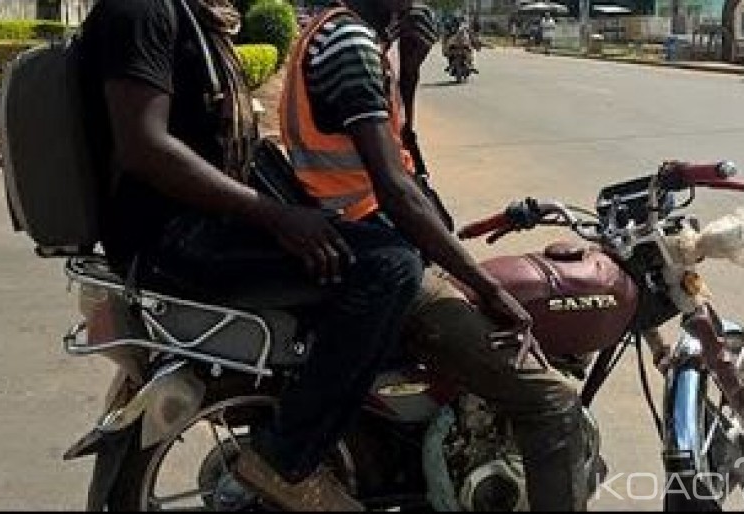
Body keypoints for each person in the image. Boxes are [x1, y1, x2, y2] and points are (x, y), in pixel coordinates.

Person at [77, 0, 425, 510]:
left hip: (200, 223)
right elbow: (144, 146)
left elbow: (217, 143)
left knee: (367, 253)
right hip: (179, 238)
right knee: (389, 268)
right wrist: (276, 216)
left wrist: (293, 207)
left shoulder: (187, 15)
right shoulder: (141, 11)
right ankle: (286, 462)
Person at [245, 0, 592, 510]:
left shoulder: (340, 34)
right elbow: (396, 191)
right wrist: (488, 287)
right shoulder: (349, 43)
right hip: (380, 254)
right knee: (552, 401)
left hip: (374, 239)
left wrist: (408, 71)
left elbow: (399, 156)